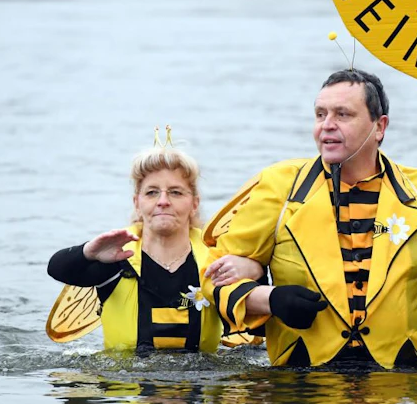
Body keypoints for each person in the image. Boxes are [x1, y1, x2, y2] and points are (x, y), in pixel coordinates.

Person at [202, 69, 417, 368]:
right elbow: (213, 278)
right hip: (303, 378)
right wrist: (271, 299)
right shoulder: (279, 186)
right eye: (320, 115)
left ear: (379, 126)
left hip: (403, 375)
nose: (326, 126)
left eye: (342, 115)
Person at [47, 142, 262, 352]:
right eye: (151, 192)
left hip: (203, 383)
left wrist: (255, 269)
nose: (163, 201)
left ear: (194, 204)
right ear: (137, 203)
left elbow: (259, 320)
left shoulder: (215, 261)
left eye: (176, 192)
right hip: (125, 385)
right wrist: (88, 253)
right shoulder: (115, 260)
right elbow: (57, 268)